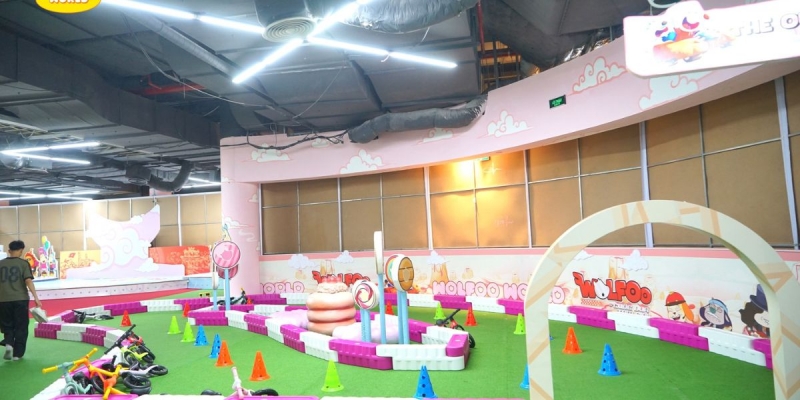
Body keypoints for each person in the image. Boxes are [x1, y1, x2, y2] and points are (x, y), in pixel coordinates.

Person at [0, 240, 42, 361]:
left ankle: (9, 343)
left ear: (9, 251)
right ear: (21, 251)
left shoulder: (0, 263)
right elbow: (28, 280)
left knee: (7, 324)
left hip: (3, 300)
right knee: (21, 325)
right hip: (20, 299)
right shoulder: (23, 263)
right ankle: (17, 355)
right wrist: (36, 298)